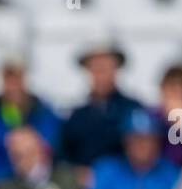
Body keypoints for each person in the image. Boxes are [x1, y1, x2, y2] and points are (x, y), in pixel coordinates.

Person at [60, 44, 144, 174]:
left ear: (116, 70)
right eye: (96, 68)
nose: (101, 74)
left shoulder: (134, 110)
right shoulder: (77, 117)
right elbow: (63, 156)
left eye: (106, 67)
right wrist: (77, 173)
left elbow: (145, 153)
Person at [0, 58, 61, 182]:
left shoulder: (43, 111)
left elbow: (53, 145)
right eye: (8, 79)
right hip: (7, 185)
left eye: (17, 78)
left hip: (42, 180)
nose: (13, 85)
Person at [88, 109, 181, 189]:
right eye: (136, 140)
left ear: (158, 142)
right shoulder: (106, 170)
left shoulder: (171, 173)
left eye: (149, 139)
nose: (143, 146)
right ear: (125, 141)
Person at [0, 126, 80, 189]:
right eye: (15, 155)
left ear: (41, 150)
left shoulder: (66, 177)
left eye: (21, 155)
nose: (14, 161)